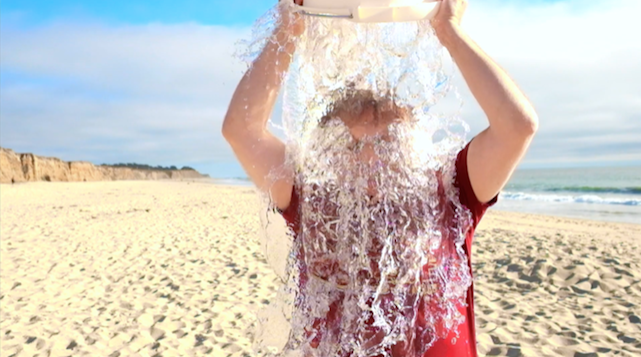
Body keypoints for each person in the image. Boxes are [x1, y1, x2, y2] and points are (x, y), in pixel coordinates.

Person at [222, 0, 538, 356]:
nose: (371, 157)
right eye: (351, 146)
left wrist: (450, 31)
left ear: (412, 145)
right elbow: (242, 130)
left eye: (387, 141)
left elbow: (517, 126)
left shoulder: (450, 192)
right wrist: (288, 31)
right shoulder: (311, 201)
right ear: (328, 154)